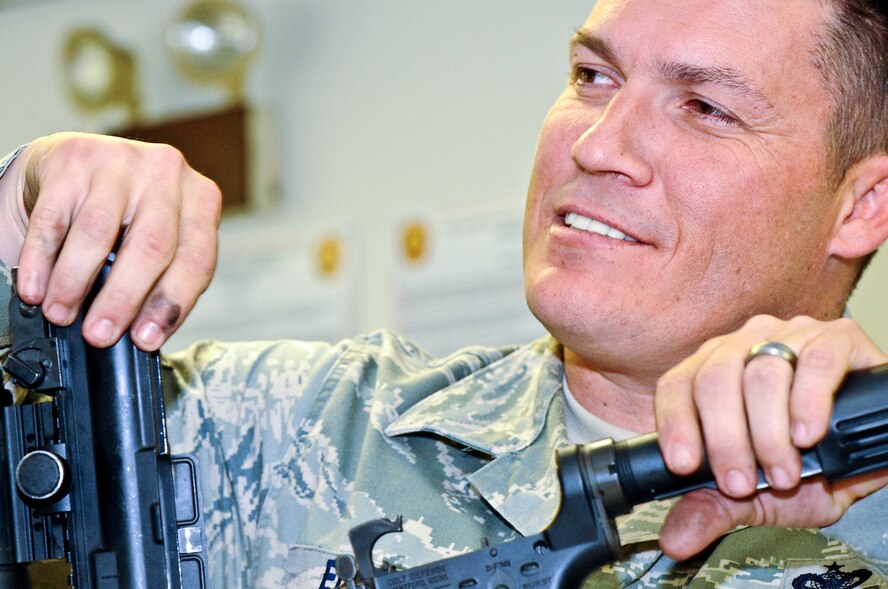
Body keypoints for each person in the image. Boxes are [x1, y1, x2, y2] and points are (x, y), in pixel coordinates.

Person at [3, 0, 888, 586]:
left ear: (862, 206)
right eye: (593, 77)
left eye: (704, 108)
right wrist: (17, 205)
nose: (599, 143)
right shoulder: (304, 425)